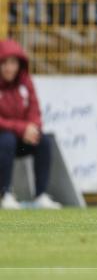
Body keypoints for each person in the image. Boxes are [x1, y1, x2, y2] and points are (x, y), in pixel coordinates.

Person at [0, 39, 62, 209]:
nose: (8, 68)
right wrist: (21, 128)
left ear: (19, 64)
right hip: (4, 140)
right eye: (4, 63)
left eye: (12, 63)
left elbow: (34, 108)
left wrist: (33, 127)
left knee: (43, 141)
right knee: (6, 140)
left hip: (20, 138)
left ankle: (40, 195)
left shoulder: (25, 82)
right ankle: (5, 195)